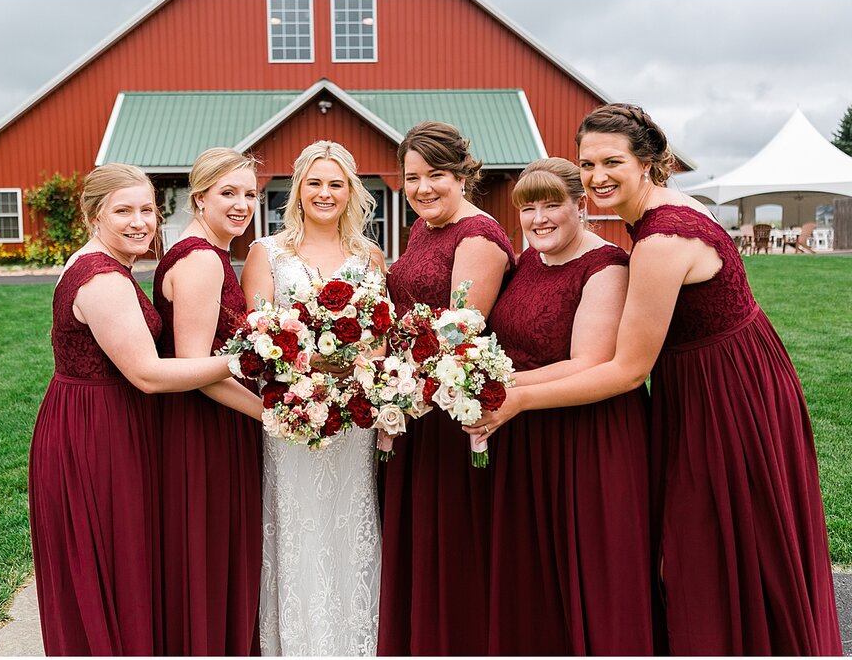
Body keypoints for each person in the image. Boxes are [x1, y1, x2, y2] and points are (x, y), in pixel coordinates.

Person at [467, 103, 843, 655]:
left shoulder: (660, 240)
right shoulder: (661, 214)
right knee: (718, 546)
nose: (596, 177)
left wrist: (515, 398)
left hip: (725, 396)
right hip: (720, 378)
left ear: (648, 162)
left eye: (611, 162)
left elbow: (627, 369)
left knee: (714, 548)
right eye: (586, 163)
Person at [27, 163, 239, 656]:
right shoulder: (102, 279)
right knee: (109, 563)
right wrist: (243, 358)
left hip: (97, 418)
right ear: (93, 215)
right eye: (123, 210)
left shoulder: (105, 264)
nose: (140, 221)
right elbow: (147, 373)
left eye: (148, 209)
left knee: (120, 565)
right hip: (97, 433)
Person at [481, 157, 652, 655]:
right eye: (528, 208)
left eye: (552, 205)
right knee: (534, 569)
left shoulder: (607, 268)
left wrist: (505, 386)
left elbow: (590, 361)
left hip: (586, 433)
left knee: (591, 565)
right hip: (527, 430)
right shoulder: (528, 259)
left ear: (581, 205)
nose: (539, 219)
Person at [240, 140, 387, 655]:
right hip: (294, 414)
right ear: (297, 189)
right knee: (298, 527)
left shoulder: (369, 257)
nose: (325, 193)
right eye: (314, 182)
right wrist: (308, 369)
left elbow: (381, 339)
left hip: (354, 417)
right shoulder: (268, 253)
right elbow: (256, 341)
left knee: (352, 525)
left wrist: (357, 369)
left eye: (336, 184)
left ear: (352, 193)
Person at [377, 121, 515, 656]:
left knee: (451, 534)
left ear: (463, 175)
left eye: (436, 175)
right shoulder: (424, 228)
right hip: (413, 403)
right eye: (412, 177)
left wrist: (387, 370)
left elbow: (460, 329)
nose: (423, 188)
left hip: (448, 406)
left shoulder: (477, 236)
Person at [153, 148, 265, 655]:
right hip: (206, 424)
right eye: (228, 193)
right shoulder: (201, 260)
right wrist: (269, 414)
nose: (242, 204)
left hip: (217, 417)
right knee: (209, 546)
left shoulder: (208, 251)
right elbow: (196, 367)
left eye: (250, 195)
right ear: (199, 198)